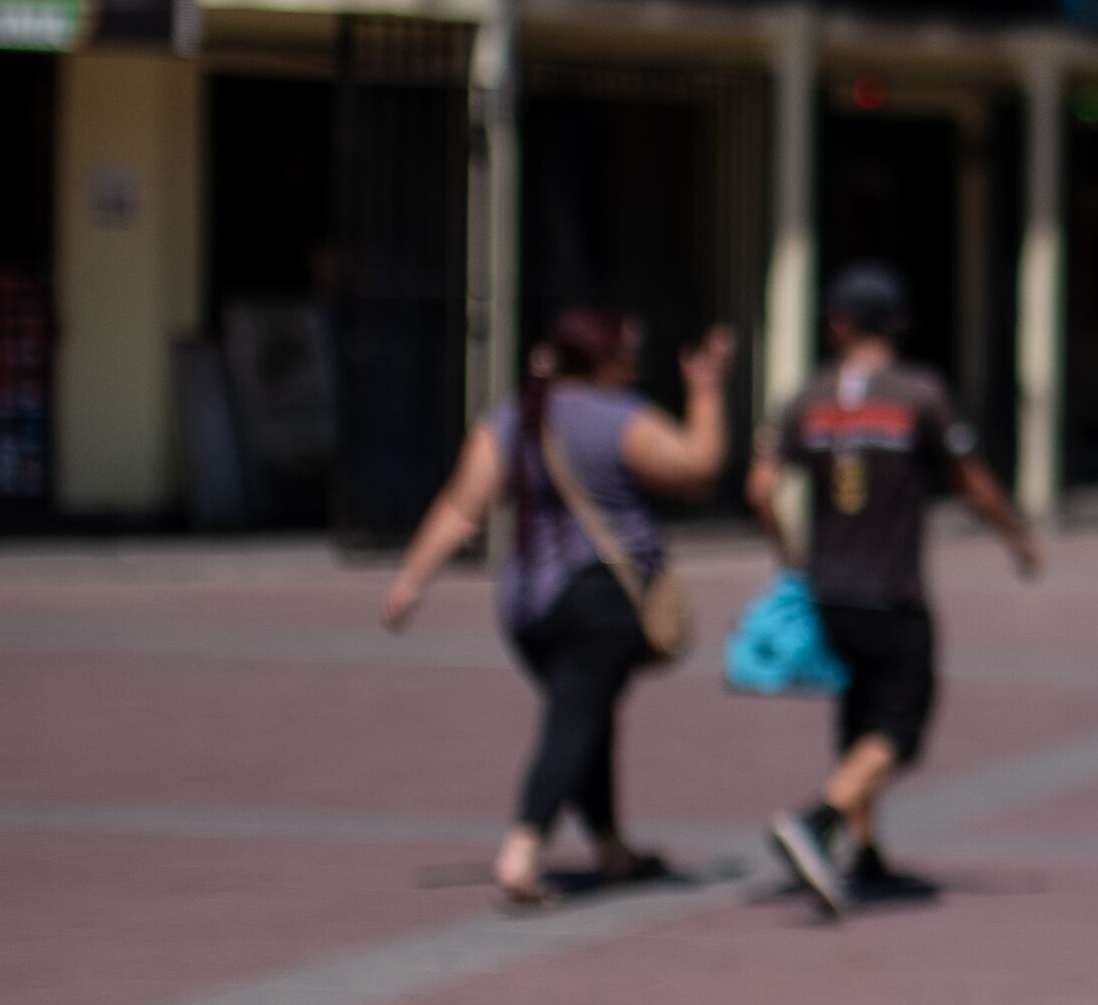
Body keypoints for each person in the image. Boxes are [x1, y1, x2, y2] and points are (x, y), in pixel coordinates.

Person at [378, 308, 736, 911]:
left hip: (527, 607)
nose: (635, 361)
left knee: (587, 711)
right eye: (627, 350)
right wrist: (706, 391)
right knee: (575, 719)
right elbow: (697, 467)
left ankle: (611, 849)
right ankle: (523, 849)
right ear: (602, 359)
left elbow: (464, 506)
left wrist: (411, 580)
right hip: (599, 599)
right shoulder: (621, 419)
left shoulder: (511, 417)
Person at [747, 264, 1037, 916]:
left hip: (828, 588)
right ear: (897, 324)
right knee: (899, 729)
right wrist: (1016, 536)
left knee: (857, 718)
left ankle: (865, 850)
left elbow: (759, 487)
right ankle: (816, 822)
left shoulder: (809, 397)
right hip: (893, 590)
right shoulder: (919, 394)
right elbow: (970, 479)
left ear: (837, 324)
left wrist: (789, 552)